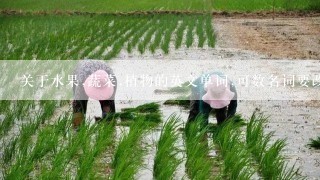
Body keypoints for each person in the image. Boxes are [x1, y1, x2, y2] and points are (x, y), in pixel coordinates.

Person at [72, 60, 117, 129]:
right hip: (81, 70)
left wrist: (108, 120)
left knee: (108, 107)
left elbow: (109, 105)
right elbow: (77, 106)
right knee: (79, 106)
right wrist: (77, 126)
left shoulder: (112, 80)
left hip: (103, 71)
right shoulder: (82, 81)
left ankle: (108, 126)